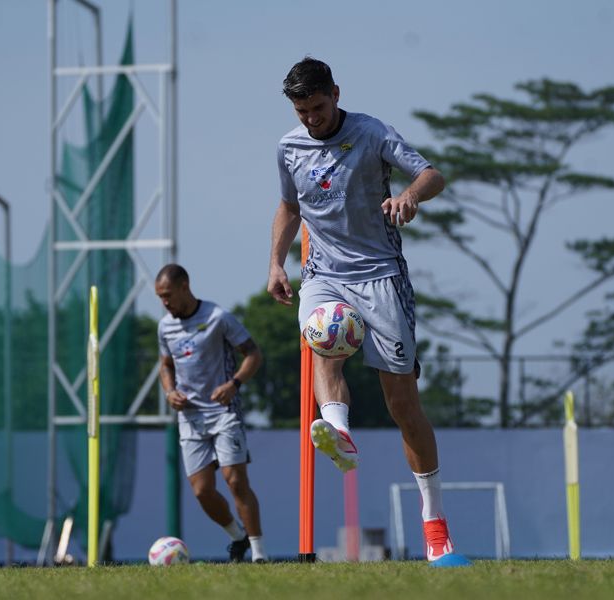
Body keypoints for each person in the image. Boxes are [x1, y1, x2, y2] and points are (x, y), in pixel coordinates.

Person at [267, 57, 469, 566]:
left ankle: (435, 525)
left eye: (317, 107)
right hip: (324, 275)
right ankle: (338, 429)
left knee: (403, 404)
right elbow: (290, 207)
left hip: (381, 276)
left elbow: (432, 174)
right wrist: (275, 263)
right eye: (301, 111)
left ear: (336, 93)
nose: (310, 119)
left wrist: (409, 197)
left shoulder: (372, 133)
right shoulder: (289, 148)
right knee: (322, 337)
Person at [156, 263, 268, 563]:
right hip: (190, 419)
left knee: (235, 481)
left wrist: (234, 384)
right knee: (202, 492)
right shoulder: (165, 326)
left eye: (168, 295)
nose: (165, 303)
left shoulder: (218, 317)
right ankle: (237, 536)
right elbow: (165, 365)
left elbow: (253, 354)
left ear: (184, 286)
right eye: (159, 298)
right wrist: (169, 392)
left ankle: (259, 554)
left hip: (223, 412)